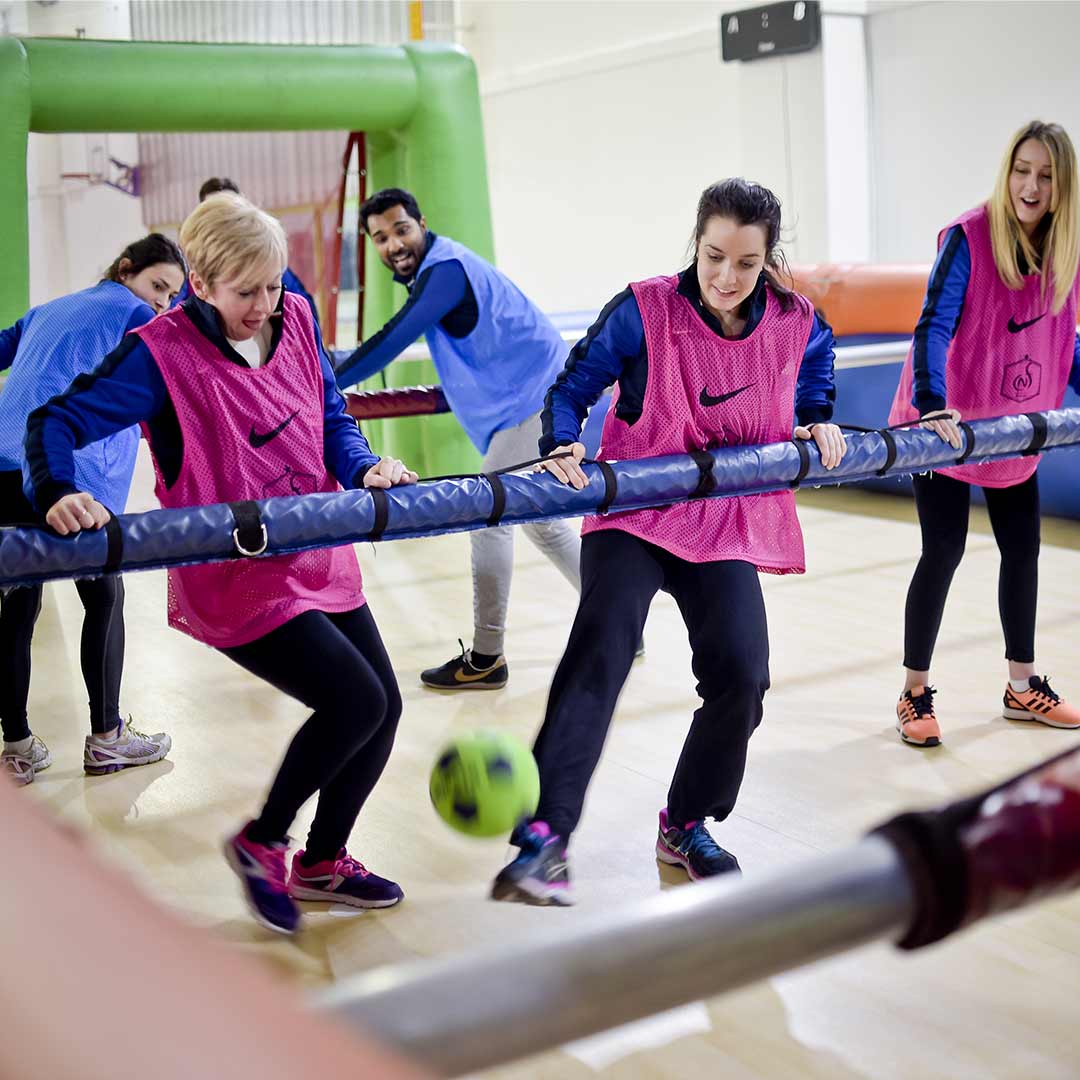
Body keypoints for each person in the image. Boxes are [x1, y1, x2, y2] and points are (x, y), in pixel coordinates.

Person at [26, 193, 418, 935]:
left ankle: (323, 863)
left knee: (384, 708)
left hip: (315, 547)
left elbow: (330, 413)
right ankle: (263, 841)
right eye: (247, 292)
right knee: (355, 703)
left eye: (274, 285)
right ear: (200, 282)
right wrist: (57, 490)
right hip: (235, 576)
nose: (266, 305)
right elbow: (58, 419)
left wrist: (364, 469)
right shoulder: (159, 354)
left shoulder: (293, 316)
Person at [491, 179, 846, 905]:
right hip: (635, 515)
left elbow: (817, 354)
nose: (726, 277)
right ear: (696, 242)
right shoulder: (647, 309)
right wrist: (561, 442)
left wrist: (815, 414)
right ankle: (544, 838)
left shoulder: (792, 318)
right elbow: (573, 384)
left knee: (743, 677)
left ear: (766, 260)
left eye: (746, 264)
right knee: (603, 651)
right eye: (714, 256)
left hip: (720, 521)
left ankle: (686, 821)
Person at [335, 188, 582, 691]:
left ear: (422, 224)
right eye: (380, 237)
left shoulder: (444, 272)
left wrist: (323, 383)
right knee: (544, 526)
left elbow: (395, 337)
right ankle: (622, 623)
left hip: (539, 400)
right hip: (536, 398)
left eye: (401, 229)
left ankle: (488, 658)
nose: (393, 243)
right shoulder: (443, 269)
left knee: (487, 514)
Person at [889, 120, 1080, 748]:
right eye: (1023, 170)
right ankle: (914, 693)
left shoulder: (1066, 251)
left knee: (1023, 548)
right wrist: (931, 405)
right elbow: (933, 327)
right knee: (942, 551)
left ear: (1062, 186)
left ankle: (1021, 685)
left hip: (1013, 425)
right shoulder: (970, 236)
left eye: (1046, 175)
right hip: (947, 426)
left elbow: (1065, 340)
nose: (1032, 185)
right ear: (1007, 172)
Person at [0, 234, 186, 785]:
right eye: (158, 286)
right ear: (125, 269)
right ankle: (107, 738)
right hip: (65, 480)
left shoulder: (48, 309)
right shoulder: (135, 315)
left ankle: (16, 747)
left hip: (4, 467)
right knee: (104, 597)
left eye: (173, 296)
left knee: (15, 611)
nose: (163, 304)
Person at [172, 177, 322, 329]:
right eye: (244, 292)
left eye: (231, 212)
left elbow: (307, 320)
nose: (224, 222)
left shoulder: (270, 267)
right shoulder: (187, 275)